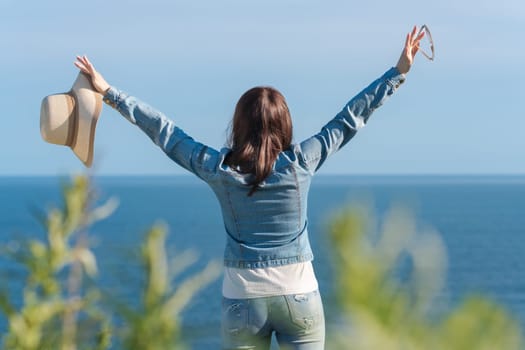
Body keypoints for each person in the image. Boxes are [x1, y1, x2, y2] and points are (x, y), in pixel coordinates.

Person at [75, 25, 425, 350]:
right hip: (299, 296)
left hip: (243, 300)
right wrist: (398, 73)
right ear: (285, 123)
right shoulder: (303, 161)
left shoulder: (220, 169)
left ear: (239, 124)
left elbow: (166, 133)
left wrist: (109, 93)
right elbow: (349, 119)